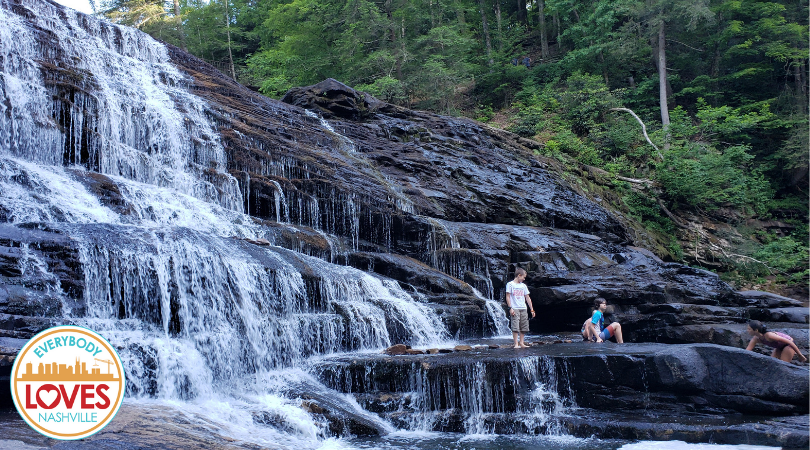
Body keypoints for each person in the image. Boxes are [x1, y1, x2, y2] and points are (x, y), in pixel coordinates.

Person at [506, 267, 535, 348]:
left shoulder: (523, 286)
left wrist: (532, 309)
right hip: (515, 307)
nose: (524, 279)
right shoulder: (510, 284)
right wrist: (510, 308)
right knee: (515, 326)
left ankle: (521, 342)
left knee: (524, 326)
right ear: (519, 275)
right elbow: (508, 297)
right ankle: (516, 344)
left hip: (523, 308)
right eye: (523, 277)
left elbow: (527, 297)